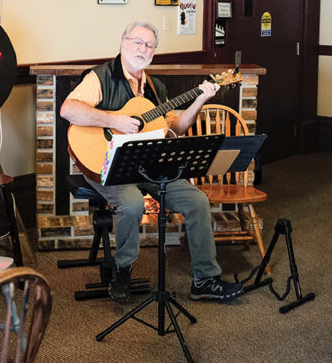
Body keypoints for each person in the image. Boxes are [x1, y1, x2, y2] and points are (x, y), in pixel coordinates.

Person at [60, 21, 243, 303]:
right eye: (137, 42)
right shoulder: (101, 76)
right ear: (123, 42)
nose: (142, 49)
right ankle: (122, 270)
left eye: (149, 45)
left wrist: (200, 100)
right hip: (106, 164)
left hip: (149, 162)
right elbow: (68, 109)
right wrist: (113, 120)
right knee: (132, 203)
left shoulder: (156, 88)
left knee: (197, 201)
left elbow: (175, 128)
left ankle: (204, 279)